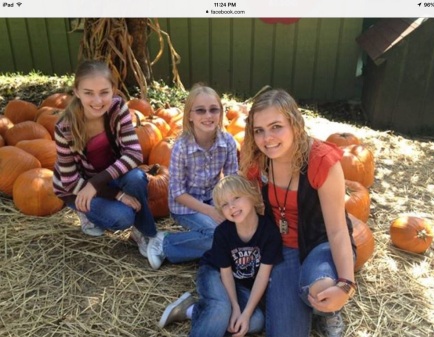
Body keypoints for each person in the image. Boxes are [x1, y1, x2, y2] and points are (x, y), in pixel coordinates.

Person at [239, 89, 357, 337]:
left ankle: (327, 309)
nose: (267, 138)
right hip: (283, 249)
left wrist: (346, 285)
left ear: (295, 124)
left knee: (319, 287)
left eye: (276, 127)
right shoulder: (256, 161)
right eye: (259, 130)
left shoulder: (321, 161)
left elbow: (336, 231)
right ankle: (302, 303)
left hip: (320, 242)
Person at [53, 60, 158, 257]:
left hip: (107, 177)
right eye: (88, 93)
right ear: (76, 91)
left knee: (136, 178)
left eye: (104, 92)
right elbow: (69, 181)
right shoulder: (64, 128)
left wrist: (97, 183)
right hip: (78, 188)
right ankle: (85, 211)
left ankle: (146, 233)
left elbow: (134, 153)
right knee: (123, 217)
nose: (98, 101)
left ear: (113, 90)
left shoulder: (118, 109)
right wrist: (116, 195)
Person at [158, 175, 283, 337]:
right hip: (214, 272)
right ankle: (212, 309)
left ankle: (192, 309)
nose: (231, 206)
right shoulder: (223, 233)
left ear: (252, 197)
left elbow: (262, 276)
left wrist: (244, 314)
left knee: (255, 321)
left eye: (236, 198)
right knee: (221, 309)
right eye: (225, 204)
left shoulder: (269, 232)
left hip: (240, 283)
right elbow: (225, 273)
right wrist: (236, 307)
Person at [147, 84, 238, 270]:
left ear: (221, 113)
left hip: (213, 199)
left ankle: (211, 249)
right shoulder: (181, 147)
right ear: (189, 115)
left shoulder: (227, 141)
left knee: (236, 231)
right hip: (185, 205)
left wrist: (231, 207)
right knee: (215, 235)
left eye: (214, 110)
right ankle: (165, 242)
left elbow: (231, 180)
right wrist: (210, 211)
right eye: (200, 111)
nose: (208, 115)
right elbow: (178, 193)